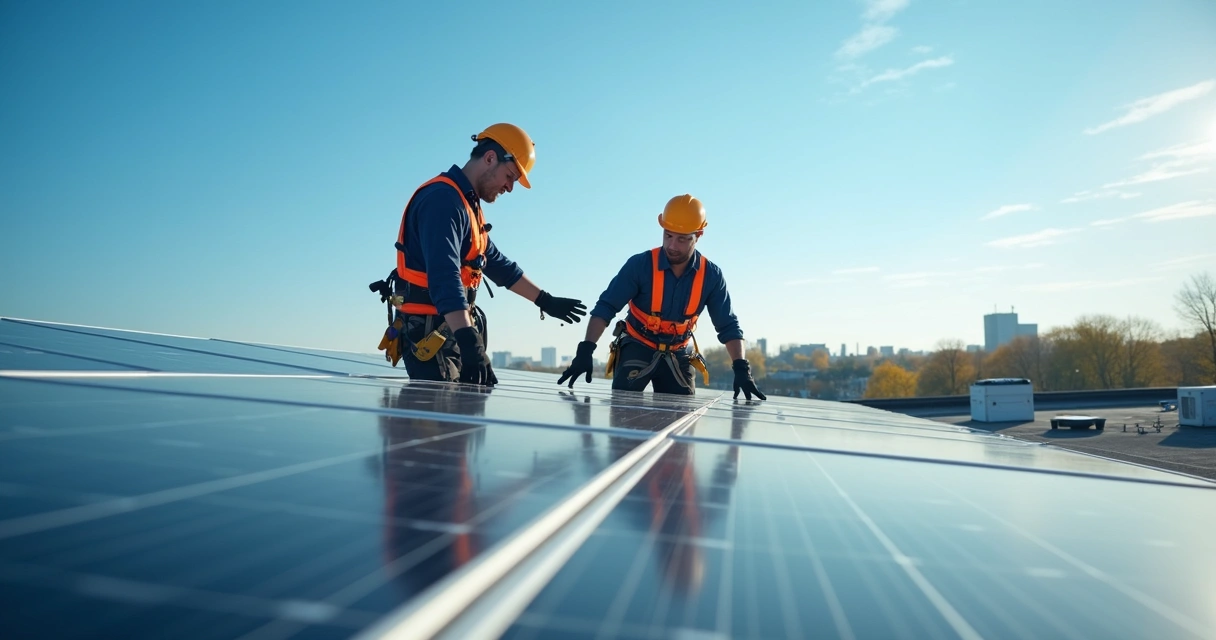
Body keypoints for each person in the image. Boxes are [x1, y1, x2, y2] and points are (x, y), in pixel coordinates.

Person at [369, 123, 586, 385]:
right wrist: (469, 341)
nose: (510, 187)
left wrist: (545, 301)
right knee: (436, 421)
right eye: (510, 176)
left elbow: (496, 264)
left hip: (451, 331)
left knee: (458, 418)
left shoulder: (466, 205)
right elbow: (444, 276)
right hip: (429, 332)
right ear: (490, 158)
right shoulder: (442, 200)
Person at [557, 195, 766, 400]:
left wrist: (741, 368)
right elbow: (605, 308)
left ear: (699, 235)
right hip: (637, 346)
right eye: (668, 235)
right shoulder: (640, 266)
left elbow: (728, 325)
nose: (672, 246)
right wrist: (586, 349)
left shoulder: (711, 276)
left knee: (680, 419)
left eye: (682, 239)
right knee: (623, 412)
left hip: (678, 353)